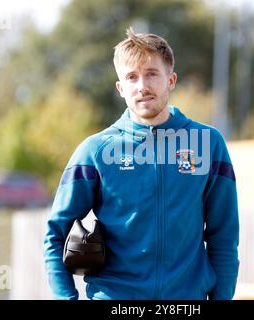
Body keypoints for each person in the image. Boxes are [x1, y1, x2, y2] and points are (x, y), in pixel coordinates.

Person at [43, 27, 239, 300]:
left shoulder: (208, 143)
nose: (142, 86)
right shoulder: (95, 151)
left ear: (171, 80)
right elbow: (55, 236)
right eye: (132, 77)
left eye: (151, 74)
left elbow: (224, 238)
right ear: (120, 89)